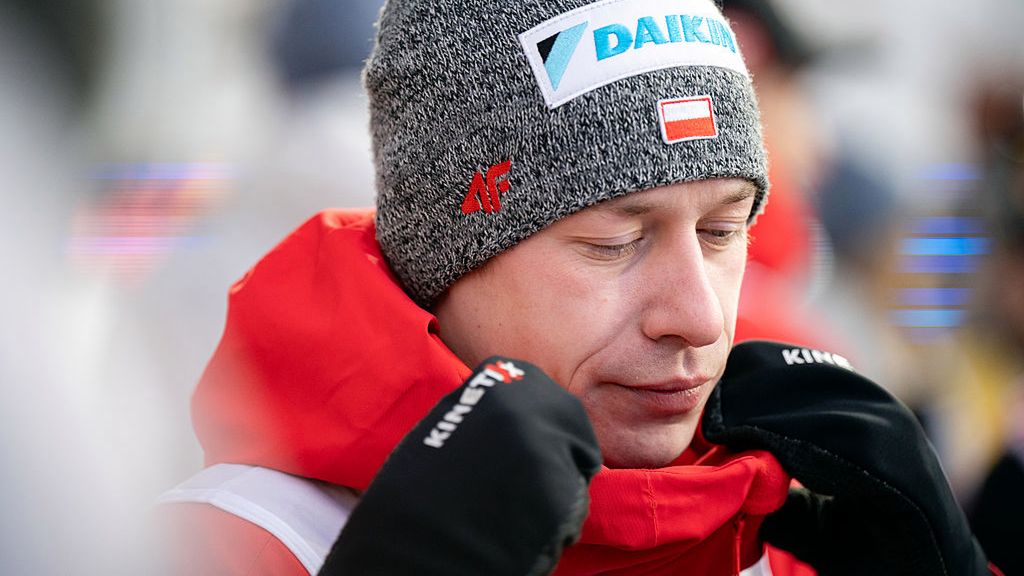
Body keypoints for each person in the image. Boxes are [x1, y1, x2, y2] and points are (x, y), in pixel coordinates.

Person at [157, 1, 999, 575]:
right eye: (613, 243)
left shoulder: (786, 535)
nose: (699, 316)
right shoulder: (233, 545)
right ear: (438, 258)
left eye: (723, 231)